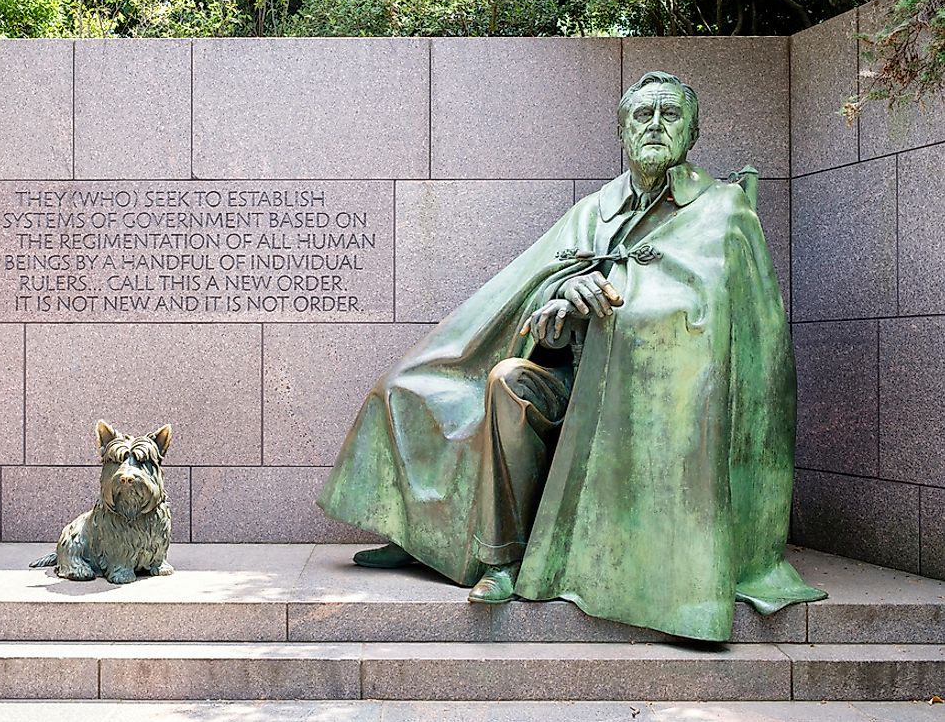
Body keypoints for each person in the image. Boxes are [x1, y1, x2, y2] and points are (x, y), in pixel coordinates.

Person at [317, 71, 825, 642]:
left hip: (654, 406)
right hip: (575, 382)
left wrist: (621, 305)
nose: (655, 125)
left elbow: (735, 335)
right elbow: (534, 297)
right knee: (491, 380)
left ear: (694, 132)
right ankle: (488, 555)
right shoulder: (594, 210)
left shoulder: (723, 210)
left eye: (669, 115)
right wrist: (562, 301)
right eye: (642, 115)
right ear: (622, 131)